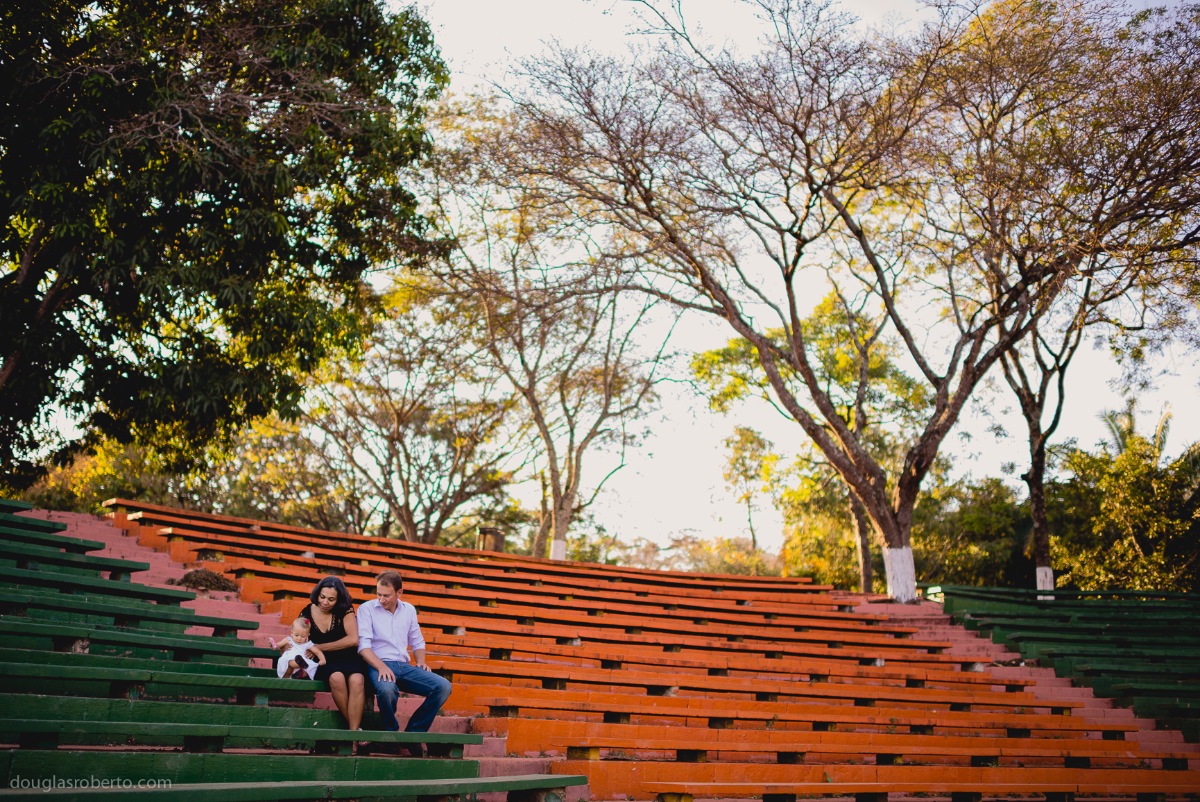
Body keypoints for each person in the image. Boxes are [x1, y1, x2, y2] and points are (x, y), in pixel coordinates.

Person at [358, 570, 451, 753]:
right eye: (378, 594)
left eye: (386, 595)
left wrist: (421, 661)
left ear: (399, 593)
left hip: (404, 666)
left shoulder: (408, 609)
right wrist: (381, 666)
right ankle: (391, 734)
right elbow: (363, 647)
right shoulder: (366, 609)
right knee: (387, 690)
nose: (381, 599)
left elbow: (417, 640)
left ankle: (413, 734)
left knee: (443, 686)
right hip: (378, 663)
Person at [299, 576, 370, 730]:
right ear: (317, 594)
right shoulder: (306, 612)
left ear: (338, 599)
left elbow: (353, 640)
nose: (325, 602)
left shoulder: (346, 609)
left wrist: (319, 647)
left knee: (357, 680)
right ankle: (356, 732)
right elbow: (299, 637)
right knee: (336, 678)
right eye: (322, 597)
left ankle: (353, 734)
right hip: (325, 661)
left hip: (348, 657)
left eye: (331, 599)